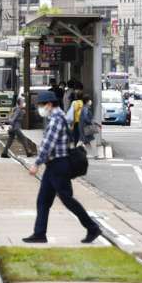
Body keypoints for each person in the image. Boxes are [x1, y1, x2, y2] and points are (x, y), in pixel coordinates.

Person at [22, 91, 101, 244]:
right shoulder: (56, 117)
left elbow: (47, 145)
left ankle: (92, 227)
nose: (40, 109)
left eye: (41, 105)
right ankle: (39, 233)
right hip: (54, 165)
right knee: (43, 201)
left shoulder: (56, 120)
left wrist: (36, 163)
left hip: (59, 165)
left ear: (49, 105)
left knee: (67, 200)